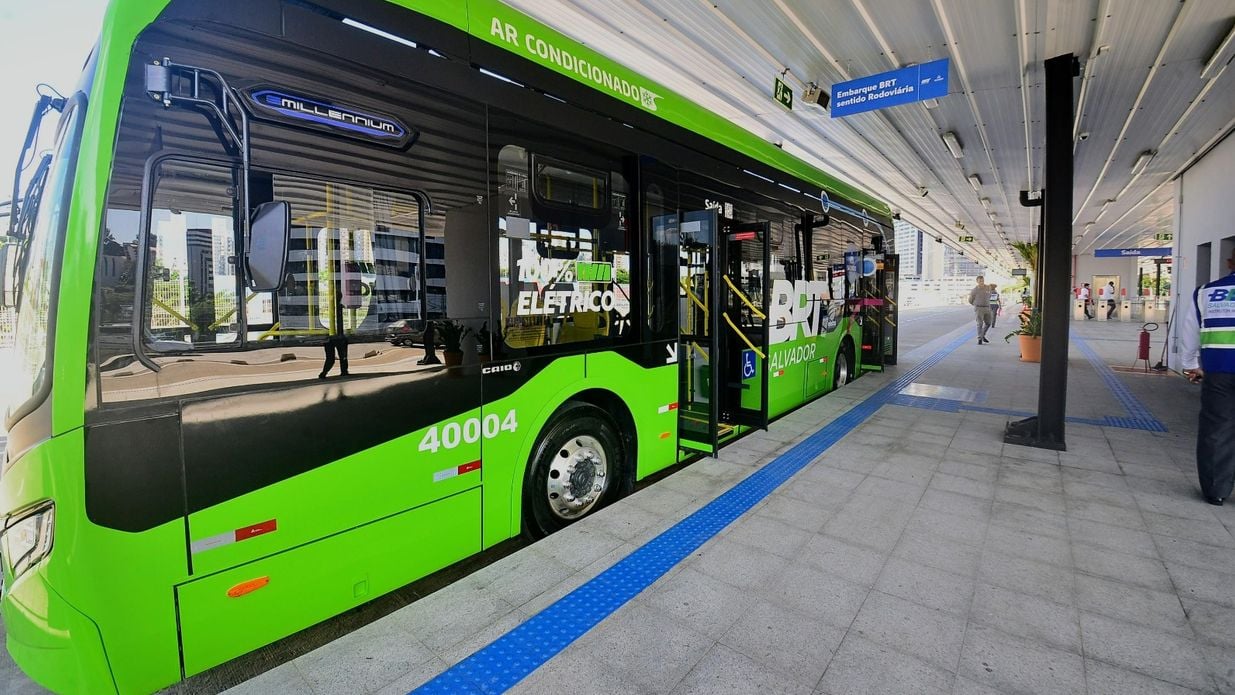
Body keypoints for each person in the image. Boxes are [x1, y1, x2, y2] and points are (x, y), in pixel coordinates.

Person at [1179, 248, 1235, 506]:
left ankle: (1216, 490)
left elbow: (1191, 331)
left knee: (1217, 428)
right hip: (1219, 370)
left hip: (1219, 370)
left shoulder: (1206, 293)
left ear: (1229, 262)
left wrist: (1191, 365)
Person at [968, 275, 992, 345]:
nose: (982, 282)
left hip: (987, 308)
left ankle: (982, 335)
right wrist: (976, 305)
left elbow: (989, 296)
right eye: (980, 281)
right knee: (980, 324)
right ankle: (980, 339)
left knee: (988, 323)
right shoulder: (974, 290)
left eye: (982, 281)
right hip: (979, 308)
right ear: (977, 281)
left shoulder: (988, 287)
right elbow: (970, 300)